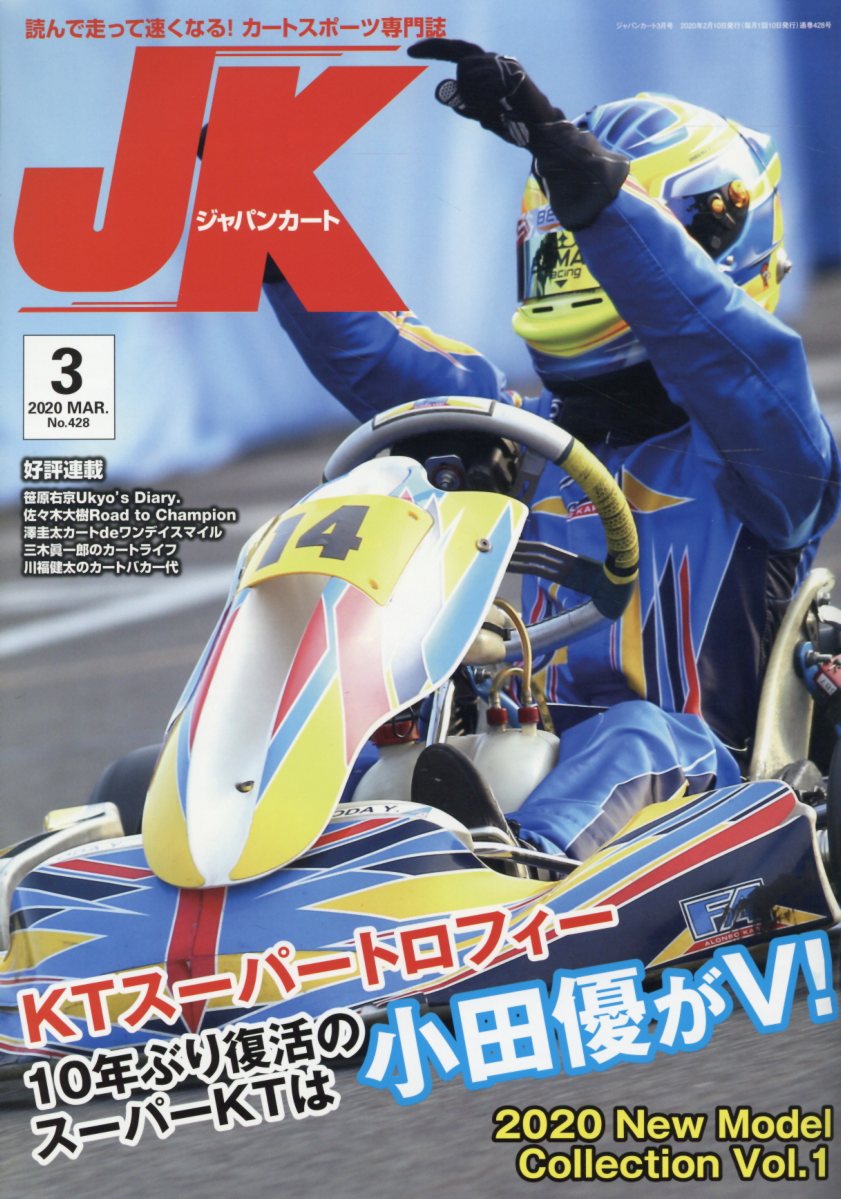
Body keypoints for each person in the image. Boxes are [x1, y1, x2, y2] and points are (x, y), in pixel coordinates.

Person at [262, 39, 840, 861]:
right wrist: (270, 207)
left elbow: (720, 350)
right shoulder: (528, 439)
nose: (574, 277)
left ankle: (510, 876)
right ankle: (250, 861)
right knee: (355, 735)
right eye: (558, 252)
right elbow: (386, 354)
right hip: (516, 754)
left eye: (589, 248)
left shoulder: (767, 454)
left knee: (638, 737)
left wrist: (593, 196)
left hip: (704, 790)